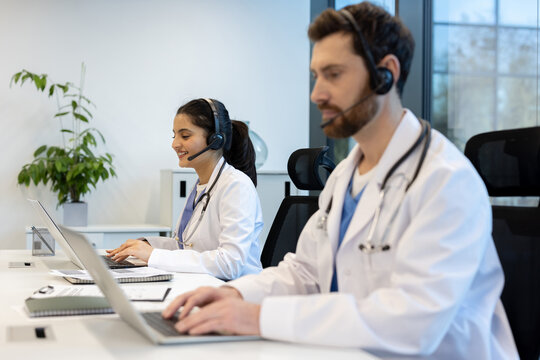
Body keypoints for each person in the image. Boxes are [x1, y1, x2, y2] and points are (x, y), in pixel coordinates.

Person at [161, 3, 518, 359]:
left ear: (385, 74)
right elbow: (305, 272)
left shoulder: (445, 180)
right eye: (316, 76)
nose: (317, 93)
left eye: (333, 74)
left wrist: (258, 316)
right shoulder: (346, 175)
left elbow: (412, 323)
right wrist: (237, 294)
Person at [106, 98, 263, 280]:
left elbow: (230, 263)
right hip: (204, 285)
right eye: (174, 136)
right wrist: (147, 245)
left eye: (185, 136)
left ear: (215, 140)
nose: (175, 144)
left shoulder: (236, 186)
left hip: (234, 291)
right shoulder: (202, 185)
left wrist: (153, 255)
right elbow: (187, 248)